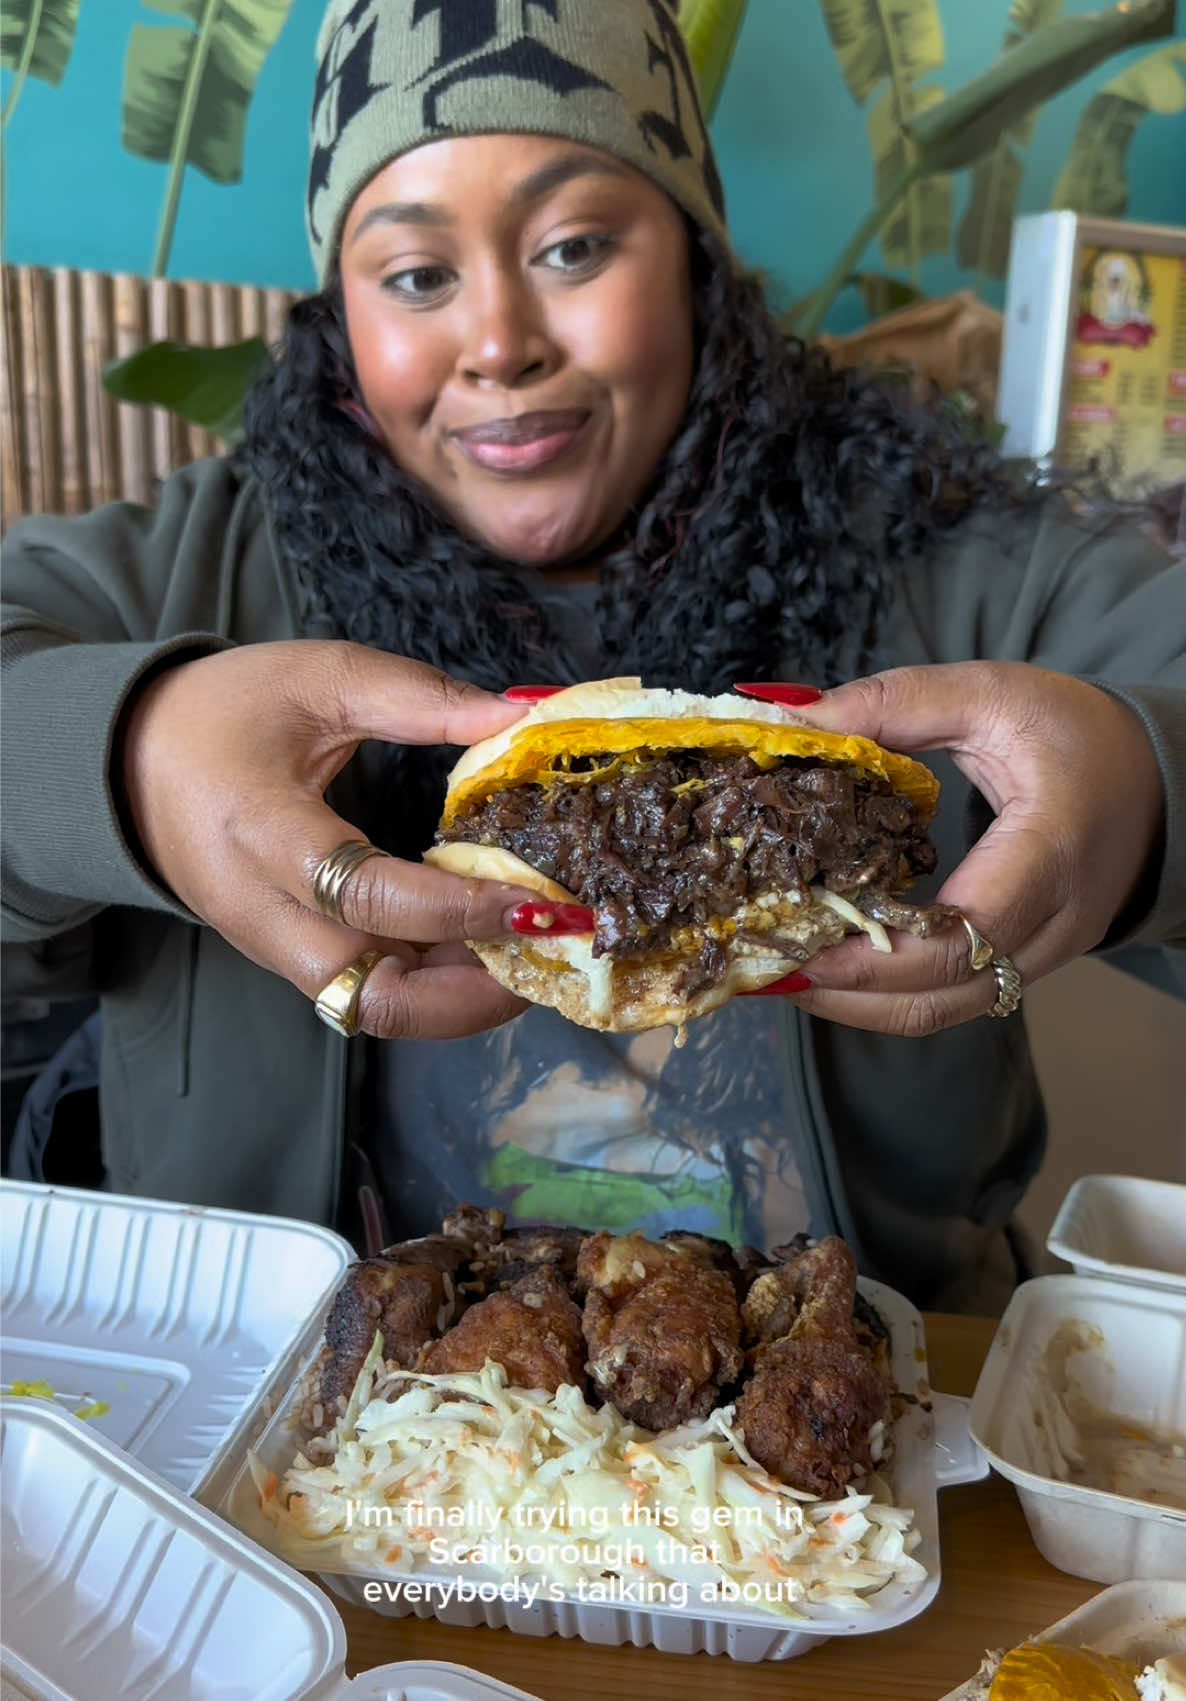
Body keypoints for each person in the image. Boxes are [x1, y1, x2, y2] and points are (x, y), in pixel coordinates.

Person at [3, 0, 1183, 1314]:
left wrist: (1143, 790)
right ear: (337, 316)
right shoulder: (182, 570)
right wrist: (131, 757)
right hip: (281, 1458)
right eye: (414, 274)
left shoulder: (963, 570)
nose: (499, 341)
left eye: (572, 245)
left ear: (688, 255)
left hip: (871, 1441)